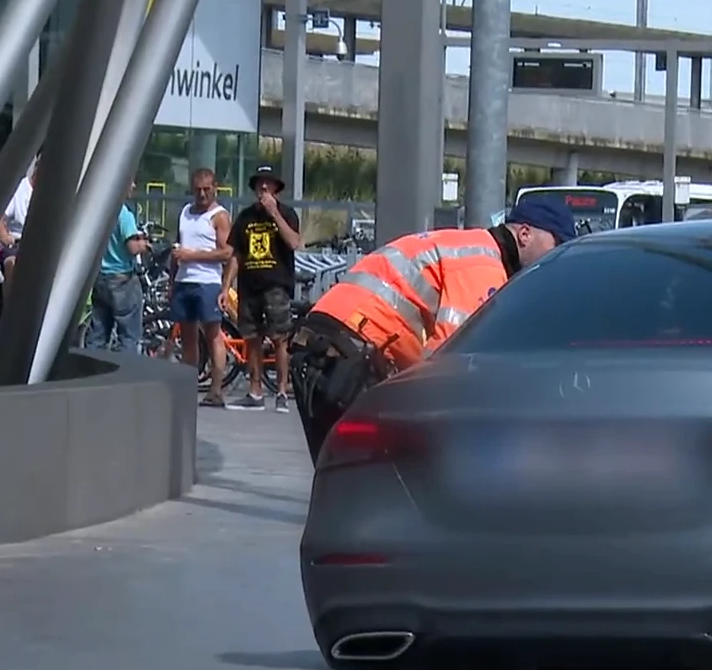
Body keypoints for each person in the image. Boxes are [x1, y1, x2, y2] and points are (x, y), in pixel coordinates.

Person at [289, 196, 577, 459]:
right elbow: (453, 358)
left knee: (350, 478)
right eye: (557, 245)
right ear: (525, 234)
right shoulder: (483, 267)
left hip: (328, 344)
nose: (557, 258)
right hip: (346, 352)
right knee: (375, 474)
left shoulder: (466, 246)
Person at [225, 164, 303, 412]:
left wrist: (274, 214)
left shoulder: (287, 213)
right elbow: (237, 254)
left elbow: (293, 242)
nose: (264, 188)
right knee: (252, 338)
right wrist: (225, 285)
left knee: (280, 338)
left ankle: (281, 390)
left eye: (268, 184)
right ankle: (255, 391)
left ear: (276, 189)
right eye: (260, 184)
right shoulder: (245, 217)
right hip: (249, 285)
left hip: (276, 285)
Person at [173, 168, 233, 407]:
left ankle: (216, 389)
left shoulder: (219, 216)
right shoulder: (186, 212)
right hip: (183, 281)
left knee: (213, 335)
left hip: (207, 282)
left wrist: (192, 255)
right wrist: (172, 281)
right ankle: (190, 386)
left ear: (214, 187)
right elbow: (178, 249)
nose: (202, 195)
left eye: (207, 190)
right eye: (198, 190)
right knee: (188, 338)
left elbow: (227, 252)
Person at [86, 182, 148, 352]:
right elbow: (132, 248)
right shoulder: (124, 214)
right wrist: (143, 244)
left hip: (101, 277)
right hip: (122, 279)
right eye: (130, 182)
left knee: (98, 333)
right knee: (128, 336)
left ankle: (90, 372)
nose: (134, 186)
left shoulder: (100, 213)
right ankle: (124, 376)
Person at [0, 157, 37, 297]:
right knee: (12, 264)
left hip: (39, 247)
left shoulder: (52, 194)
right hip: (17, 243)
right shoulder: (20, 189)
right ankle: (9, 310)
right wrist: (4, 236)